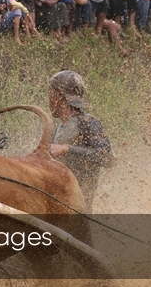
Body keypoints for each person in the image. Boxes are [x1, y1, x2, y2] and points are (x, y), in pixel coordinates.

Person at [48, 70, 113, 210]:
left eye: (50, 93)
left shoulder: (87, 122)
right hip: (59, 205)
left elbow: (107, 157)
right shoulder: (59, 129)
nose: (49, 99)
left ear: (59, 95)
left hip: (79, 210)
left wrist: (67, 149)